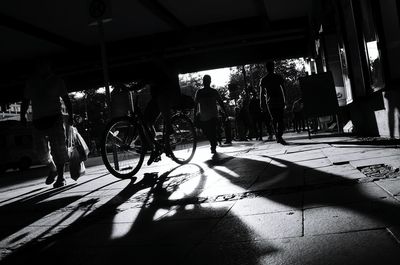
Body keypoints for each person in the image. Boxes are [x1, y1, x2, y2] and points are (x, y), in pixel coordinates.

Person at [20, 59, 73, 188]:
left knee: (59, 149)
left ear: (50, 66)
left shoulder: (57, 81)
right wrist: (22, 116)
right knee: (40, 151)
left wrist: (71, 115)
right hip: (37, 120)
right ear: (36, 67)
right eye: (40, 64)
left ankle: (61, 177)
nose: (42, 67)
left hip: (55, 118)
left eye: (44, 64)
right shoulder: (31, 82)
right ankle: (53, 168)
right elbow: (26, 100)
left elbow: (66, 99)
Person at [194, 75, 228, 154]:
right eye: (206, 80)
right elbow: (195, 105)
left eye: (207, 80)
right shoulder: (200, 92)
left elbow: (220, 102)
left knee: (210, 132)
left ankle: (213, 146)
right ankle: (213, 143)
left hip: (211, 116)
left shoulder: (211, 91)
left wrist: (194, 116)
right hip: (205, 117)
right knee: (208, 132)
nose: (206, 82)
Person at [259, 61, 287, 145]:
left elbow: (261, 93)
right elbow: (284, 89)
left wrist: (262, 103)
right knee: (280, 118)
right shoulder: (278, 77)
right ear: (273, 67)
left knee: (274, 119)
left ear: (266, 68)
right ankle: (279, 135)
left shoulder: (264, 79)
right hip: (279, 100)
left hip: (270, 102)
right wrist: (285, 99)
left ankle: (278, 136)